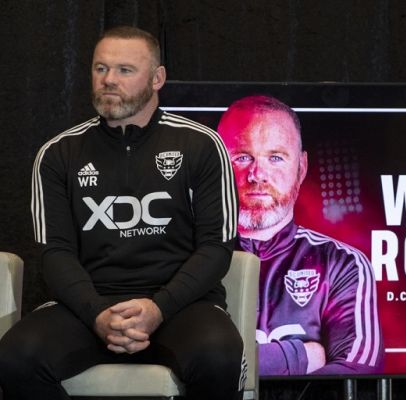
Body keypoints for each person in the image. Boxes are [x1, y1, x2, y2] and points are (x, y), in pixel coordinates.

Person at [0, 26, 244, 400]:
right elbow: (55, 253)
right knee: (16, 357)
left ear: (157, 78)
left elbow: (215, 247)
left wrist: (157, 307)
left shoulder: (201, 145)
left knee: (218, 353)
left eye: (125, 70)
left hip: (181, 306)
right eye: (101, 69)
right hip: (88, 307)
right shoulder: (58, 154)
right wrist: (98, 314)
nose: (109, 80)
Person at [217, 95, 383, 375]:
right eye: (243, 157)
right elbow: (177, 364)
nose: (257, 174)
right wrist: (302, 355)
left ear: (301, 168)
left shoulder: (341, 263)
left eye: (276, 158)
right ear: (217, 165)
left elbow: (358, 370)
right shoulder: (187, 257)